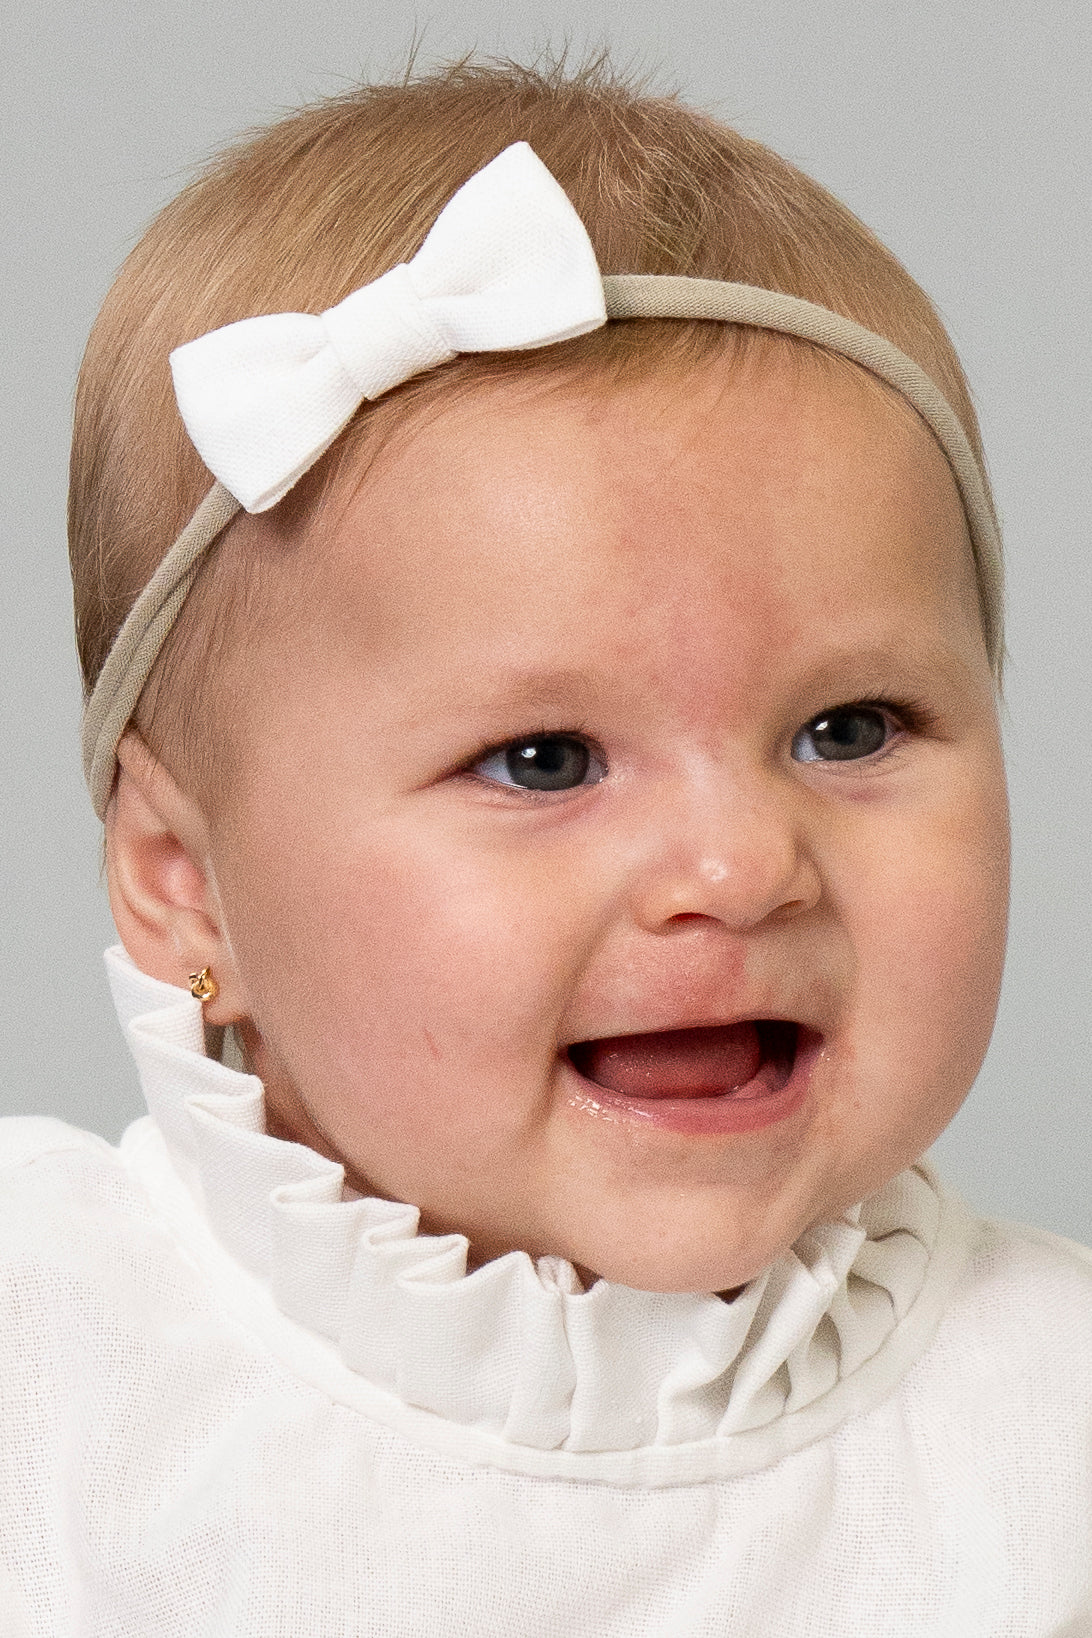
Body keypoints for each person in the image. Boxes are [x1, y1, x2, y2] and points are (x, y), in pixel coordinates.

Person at [3, 58, 1089, 1636]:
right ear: (185, 880)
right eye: (544, 759)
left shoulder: (1047, 1428)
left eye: (848, 729)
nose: (736, 865)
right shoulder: (48, 1364)